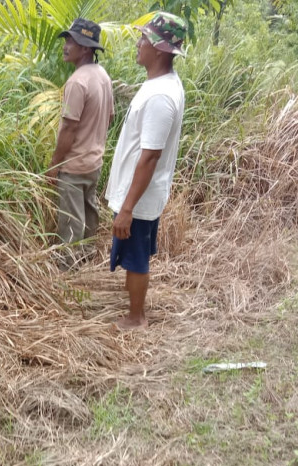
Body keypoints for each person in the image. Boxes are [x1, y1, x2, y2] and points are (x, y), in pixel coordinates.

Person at [105, 12, 187, 329]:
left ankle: (136, 317)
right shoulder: (159, 85)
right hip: (137, 193)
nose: (138, 44)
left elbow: (150, 156)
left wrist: (127, 208)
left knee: (136, 256)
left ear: (161, 49)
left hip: (138, 197)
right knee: (133, 253)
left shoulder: (161, 97)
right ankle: (133, 309)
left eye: (144, 39)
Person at [47, 18, 114, 252]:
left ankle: (68, 266)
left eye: (71, 42)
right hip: (94, 162)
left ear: (85, 48)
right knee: (89, 213)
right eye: (66, 40)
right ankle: (87, 257)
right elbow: (110, 117)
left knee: (71, 222)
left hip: (74, 167)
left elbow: (69, 128)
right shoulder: (102, 75)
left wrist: (55, 165)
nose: (65, 46)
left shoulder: (77, 82)